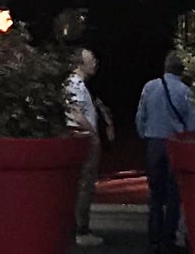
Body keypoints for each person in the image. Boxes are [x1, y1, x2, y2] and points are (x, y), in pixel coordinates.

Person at [135, 50, 195, 254]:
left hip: (154, 142)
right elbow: (193, 125)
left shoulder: (150, 87)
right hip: (174, 144)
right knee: (174, 193)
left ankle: (153, 238)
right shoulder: (186, 92)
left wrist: (145, 134)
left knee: (155, 193)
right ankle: (169, 237)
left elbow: (140, 117)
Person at [67, 49, 111, 248]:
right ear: (80, 63)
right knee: (84, 185)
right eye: (91, 60)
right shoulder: (74, 85)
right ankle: (80, 229)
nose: (95, 63)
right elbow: (75, 113)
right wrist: (92, 133)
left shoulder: (81, 85)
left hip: (84, 139)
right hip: (84, 140)